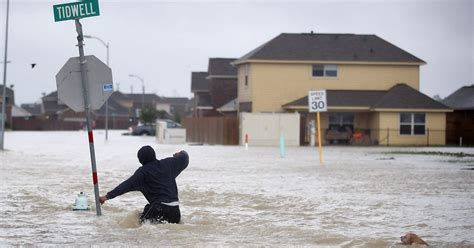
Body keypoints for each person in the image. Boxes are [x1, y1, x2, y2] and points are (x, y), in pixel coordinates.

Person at [99, 145, 189, 224]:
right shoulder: (168, 164)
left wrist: (106, 197)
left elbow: (125, 186)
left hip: (158, 209)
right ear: (154, 154)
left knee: (140, 227)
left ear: (140, 160)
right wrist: (180, 153)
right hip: (175, 212)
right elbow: (185, 158)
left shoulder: (142, 173)